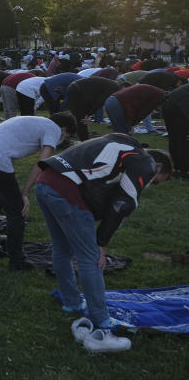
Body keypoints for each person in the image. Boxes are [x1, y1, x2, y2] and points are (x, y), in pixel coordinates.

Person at [33, 135, 171, 352]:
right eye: (157, 179)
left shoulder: (124, 141)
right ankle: (102, 325)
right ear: (158, 165)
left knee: (61, 248)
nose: (151, 184)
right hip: (66, 191)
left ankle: (72, 302)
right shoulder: (146, 164)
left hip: (44, 182)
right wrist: (101, 243)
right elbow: (121, 205)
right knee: (90, 258)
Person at [0, 113, 76, 269]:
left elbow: (8, 149)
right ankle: (17, 260)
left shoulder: (33, 121)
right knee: (17, 212)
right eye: (65, 136)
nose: (62, 139)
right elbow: (43, 163)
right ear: (63, 129)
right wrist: (24, 193)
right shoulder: (53, 128)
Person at [64, 77, 121, 141]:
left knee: (80, 117)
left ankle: (71, 133)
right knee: (82, 119)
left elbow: (96, 99)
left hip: (77, 89)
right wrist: (88, 114)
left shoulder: (112, 85)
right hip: (77, 91)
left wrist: (88, 112)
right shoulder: (114, 88)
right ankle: (84, 141)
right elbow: (100, 102)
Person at [161, 84, 189, 179]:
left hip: (169, 105)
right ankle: (184, 170)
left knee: (175, 138)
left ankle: (176, 167)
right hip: (179, 107)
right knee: (183, 138)